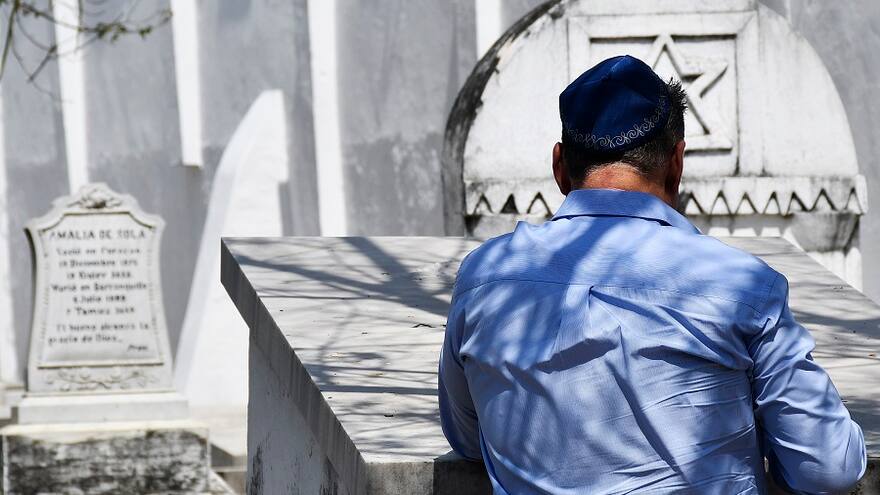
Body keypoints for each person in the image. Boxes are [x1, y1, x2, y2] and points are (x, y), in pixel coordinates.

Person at [438, 55, 866, 494]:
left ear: (559, 167)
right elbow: (828, 467)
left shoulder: (484, 279)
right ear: (676, 164)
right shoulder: (745, 289)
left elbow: (469, 437)